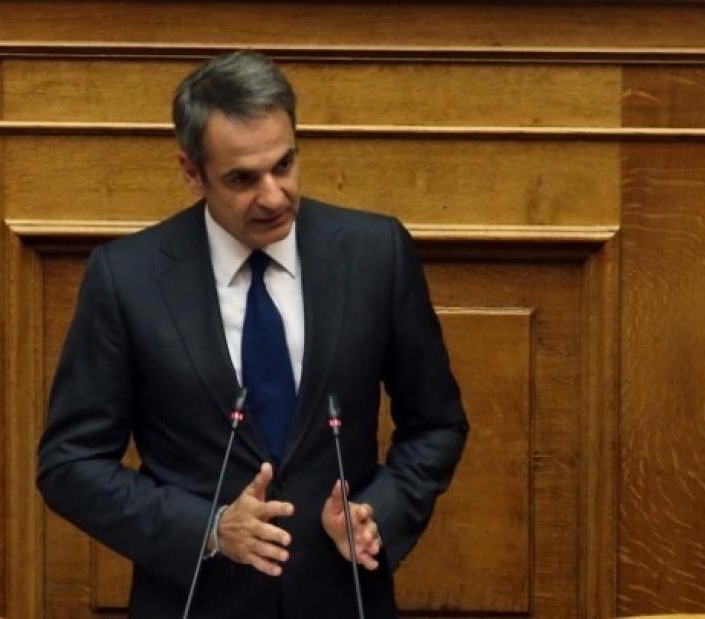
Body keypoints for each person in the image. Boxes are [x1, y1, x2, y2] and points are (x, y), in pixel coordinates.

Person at [37, 50, 469, 619]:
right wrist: (211, 529)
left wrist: (376, 515)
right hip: (197, 603)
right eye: (242, 179)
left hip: (341, 600)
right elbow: (70, 464)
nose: (273, 196)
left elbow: (437, 424)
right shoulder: (127, 279)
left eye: (284, 165)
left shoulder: (375, 254)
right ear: (192, 172)